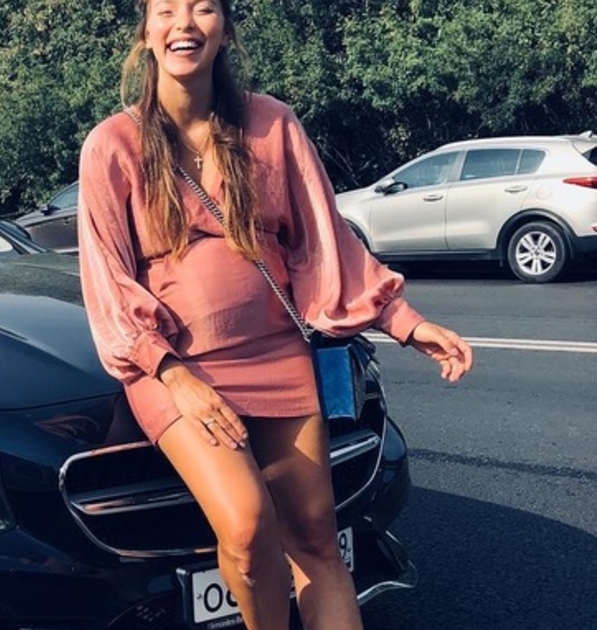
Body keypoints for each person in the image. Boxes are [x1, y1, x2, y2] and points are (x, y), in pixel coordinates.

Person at [75, 2, 474, 630]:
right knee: (247, 527)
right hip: (175, 369)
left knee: (315, 533)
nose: (185, 23)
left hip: (276, 353)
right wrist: (173, 374)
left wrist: (404, 322)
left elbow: (324, 236)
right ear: (146, 32)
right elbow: (106, 277)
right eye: (167, 10)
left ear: (226, 29)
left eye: (203, 8)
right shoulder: (112, 144)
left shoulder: (271, 124)